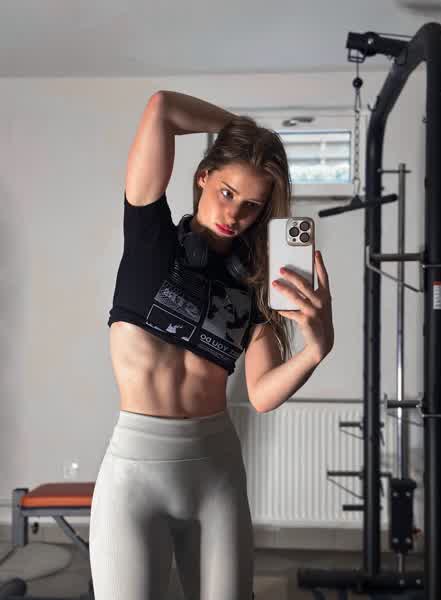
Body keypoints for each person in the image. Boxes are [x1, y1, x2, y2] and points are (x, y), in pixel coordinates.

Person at [89, 90, 334, 600]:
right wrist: (240, 129)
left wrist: (316, 349)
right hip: (135, 474)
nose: (234, 214)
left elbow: (262, 395)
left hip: (216, 472)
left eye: (251, 206)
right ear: (203, 176)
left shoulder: (255, 283)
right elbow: (161, 108)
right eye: (227, 192)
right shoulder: (150, 236)